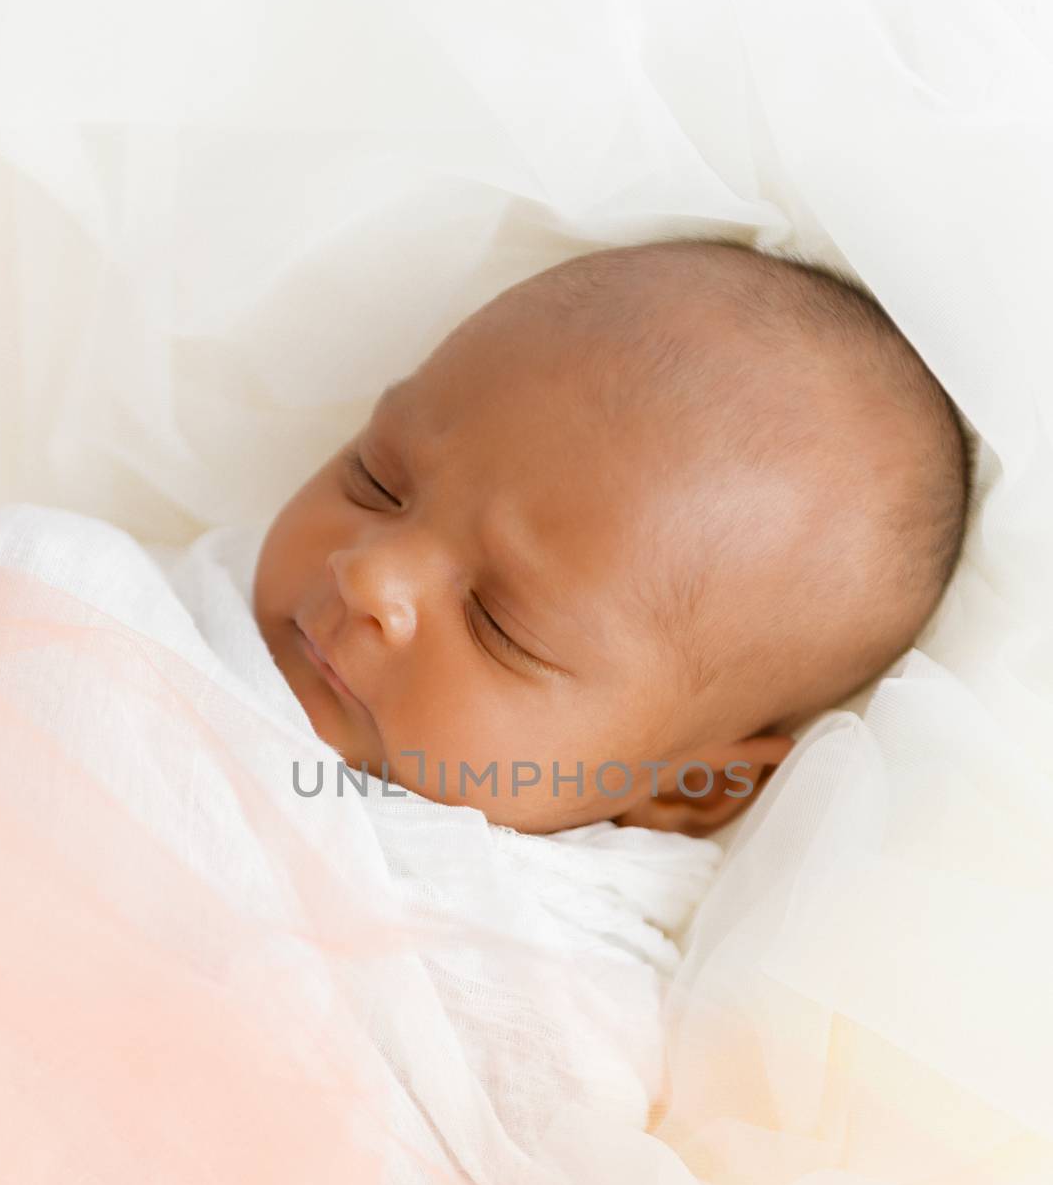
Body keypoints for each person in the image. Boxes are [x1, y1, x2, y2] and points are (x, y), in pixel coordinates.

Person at [252, 237, 973, 836]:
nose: (370, 573)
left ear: (690, 786)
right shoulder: (162, 609)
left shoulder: (540, 962)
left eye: (500, 626)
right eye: (377, 479)